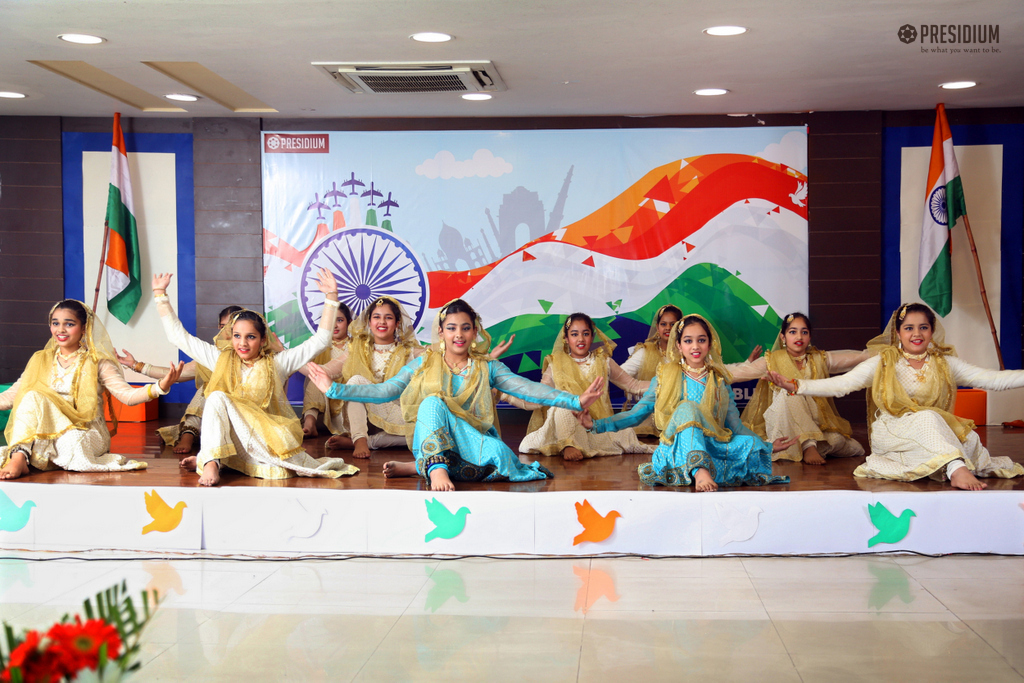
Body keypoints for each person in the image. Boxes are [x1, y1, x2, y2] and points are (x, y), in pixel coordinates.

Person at [306, 299, 605, 491]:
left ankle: (417, 467)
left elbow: (528, 388)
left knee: (502, 455)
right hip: (440, 450)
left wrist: (574, 401)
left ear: (475, 332)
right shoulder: (424, 361)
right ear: (441, 332)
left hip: (470, 443)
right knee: (432, 403)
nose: (458, 334)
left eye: (465, 328)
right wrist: (334, 389)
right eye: (451, 328)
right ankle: (435, 469)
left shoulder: (488, 367)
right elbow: (386, 390)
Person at [768, 303, 1024, 491]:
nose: (916, 334)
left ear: (931, 331)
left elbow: (992, 379)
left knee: (966, 440)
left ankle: (951, 464)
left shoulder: (944, 363)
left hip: (932, 425)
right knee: (927, 419)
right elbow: (842, 384)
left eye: (923, 327)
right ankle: (956, 468)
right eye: (909, 328)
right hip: (892, 431)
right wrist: (797, 386)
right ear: (898, 333)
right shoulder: (884, 362)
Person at [153, 271, 358, 486]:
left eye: (251, 337)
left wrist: (331, 297)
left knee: (220, 401)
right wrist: (160, 295)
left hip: (264, 437)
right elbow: (179, 337)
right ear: (230, 337)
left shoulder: (278, 362)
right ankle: (211, 462)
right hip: (235, 438)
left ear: (263, 340)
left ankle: (214, 459)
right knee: (215, 397)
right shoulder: (220, 358)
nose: (243, 343)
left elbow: (320, 341)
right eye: (237, 336)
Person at [580, 314, 795, 492]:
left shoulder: (719, 379)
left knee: (746, 445)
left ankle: (701, 468)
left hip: (711, 445)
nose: (695, 346)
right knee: (688, 407)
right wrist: (597, 425)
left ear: (710, 344)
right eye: (688, 341)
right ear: (678, 345)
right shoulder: (665, 377)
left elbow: (734, 426)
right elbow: (636, 415)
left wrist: (767, 446)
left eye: (701, 340)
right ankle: (699, 470)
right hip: (676, 447)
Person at [0, 300, 182, 480]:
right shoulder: (40, 359)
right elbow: (12, 396)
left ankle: (30, 456)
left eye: (69, 324)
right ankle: (19, 457)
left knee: (72, 444)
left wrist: (160, 387)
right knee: (31, 395)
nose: (60, 330)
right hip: (47, 429)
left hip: (85, 429)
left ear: (84, 327)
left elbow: (127, 396)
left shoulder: (97, 361)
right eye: (55, 323)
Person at [512, 313, 653, 461]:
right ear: (566, 339)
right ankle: (568, 445)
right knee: (563, 402)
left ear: (592, 337)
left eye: (585, 334)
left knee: (627, 433)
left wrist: (665, 383)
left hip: (591, 426)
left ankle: (579, 443)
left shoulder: (603, 361)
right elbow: (538, 397)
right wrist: (504, 394)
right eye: (574, 334)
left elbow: (633, 385)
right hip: (563, 423)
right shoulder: (556, 364)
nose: (580, 339)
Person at [735, 312, 868, 465]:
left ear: (809, 337)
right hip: (782, 421)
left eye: (804, 332)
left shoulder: (817, 359)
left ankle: (805, 446)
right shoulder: (770, 361)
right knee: (788, 392)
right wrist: (703, 368)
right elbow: (735, 374)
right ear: (783, 338)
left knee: (850, 446)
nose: (799, 337)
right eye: (793, 332)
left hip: (814, 421)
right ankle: (808, 445)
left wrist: (883, 354)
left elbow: (856, 358)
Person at [116, 305, 243, 454]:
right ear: (218, 327)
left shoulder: (254, 353)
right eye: (223, 326)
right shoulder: (212, 354)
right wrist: (136, 365)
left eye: (232, 327)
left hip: (244, 412)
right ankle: (188, 435)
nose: (227, 333)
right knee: (209, 388)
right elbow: (177, 374)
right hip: (215, 412)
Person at [333, 296, 423, 457]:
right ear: (369, 322)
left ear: (397, 324)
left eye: (388, 318)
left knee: (424, 431)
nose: (382, 322)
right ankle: (360, 440)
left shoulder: (410, 351)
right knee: (355, 383)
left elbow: (438, 356)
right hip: (366, 416)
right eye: (377, 317)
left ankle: (370, 442)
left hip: (397, 412)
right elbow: (327, 370)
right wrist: (288, 358)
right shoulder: (357, 349)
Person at [619, 305, 682, 436]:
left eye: (673, 324)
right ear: (657, 327)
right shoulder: (646, 352)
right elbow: (619, 374)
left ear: (680, 327)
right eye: (663, 324)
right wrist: (640, 388)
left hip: (679, 413)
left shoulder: (687, 351)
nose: (668, 328)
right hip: (649, 413)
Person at [298, 301, 353, 440]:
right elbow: (298, 360)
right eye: (330, 321)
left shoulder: (356, 345)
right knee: (317, 377)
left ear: (349, 322)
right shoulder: (318, 344)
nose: (334, 325)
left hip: (347, 397)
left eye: (339, 320)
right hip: (324, 404)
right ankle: (310, 424)